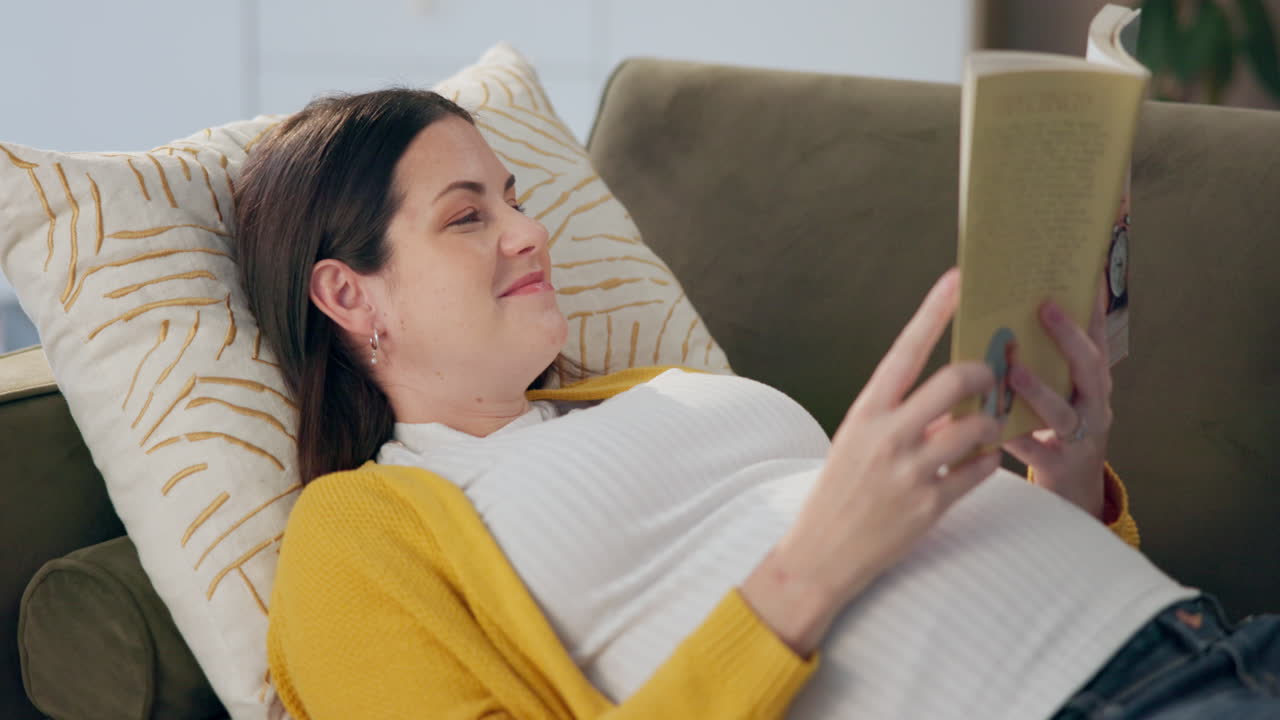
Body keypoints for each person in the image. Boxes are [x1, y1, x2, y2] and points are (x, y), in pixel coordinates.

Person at [235, 89, 1280, 719]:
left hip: (1202, 636)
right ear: (346, 292)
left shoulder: (650, 391)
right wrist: (807, 571)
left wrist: (1064, 469)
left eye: (518, 198)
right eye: (467, 216)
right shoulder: (356, 533)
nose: (526, 233)